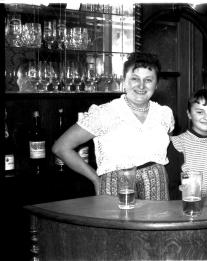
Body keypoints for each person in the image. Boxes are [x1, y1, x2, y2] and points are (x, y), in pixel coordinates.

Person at [52, 53, 175, 200]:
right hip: (115, 187)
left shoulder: (164, 114)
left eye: (148, 80)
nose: (141, 86)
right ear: (124, 81)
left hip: (156, 188)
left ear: (156, 84)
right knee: (117, 223)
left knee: (157, 224)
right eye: (134, 79)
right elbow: (60, 148)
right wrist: (95, 179)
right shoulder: (105, 113)